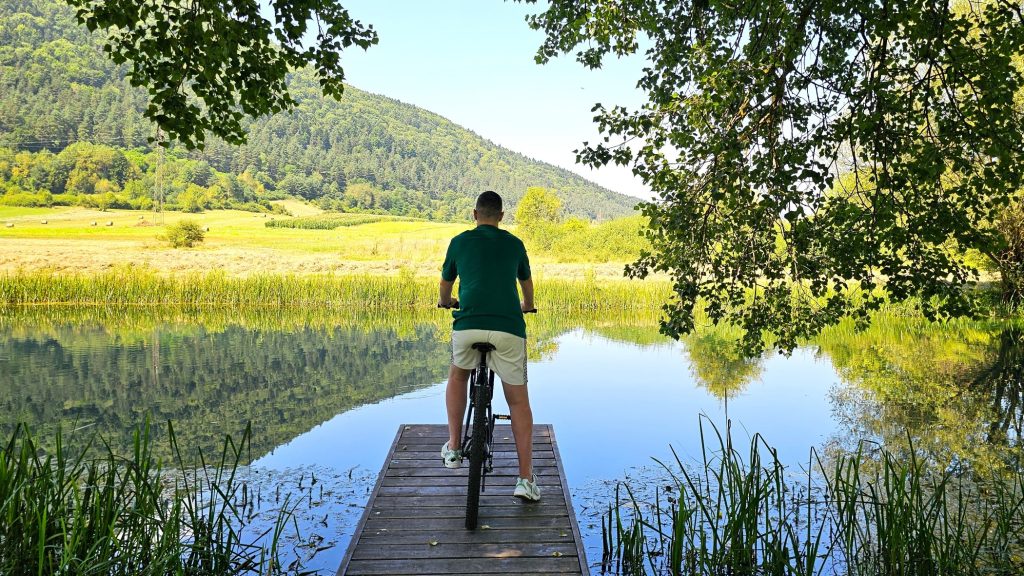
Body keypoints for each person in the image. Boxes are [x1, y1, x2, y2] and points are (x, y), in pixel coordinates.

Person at [437, 190, 540, 501]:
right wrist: (527, 306)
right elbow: (526, 284)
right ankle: (525, 480)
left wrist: (446, 303)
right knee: (518, 403)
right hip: (508, 330)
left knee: (458, 376)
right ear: (501, 217)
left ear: (475, 214)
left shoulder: (459, 242)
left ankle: (454, 447)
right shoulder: (514, 243)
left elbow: (445, 285)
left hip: (468, 326)